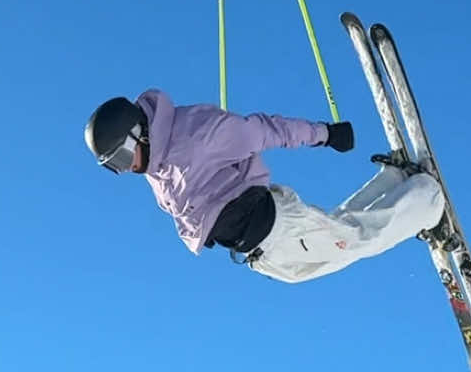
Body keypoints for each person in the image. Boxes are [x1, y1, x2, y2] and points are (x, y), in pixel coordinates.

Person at [84, 91, 446, 284]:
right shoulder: (157, 169)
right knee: (342, 239)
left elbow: (264, 130)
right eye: (115, 167)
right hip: (260, 254)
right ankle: (396, 184)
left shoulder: (196, 135)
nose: (127, 169)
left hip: (274, 225)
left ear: (137, 132)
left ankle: (428, 201)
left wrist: (325, 134)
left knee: (355, 241)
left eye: (123, 157)